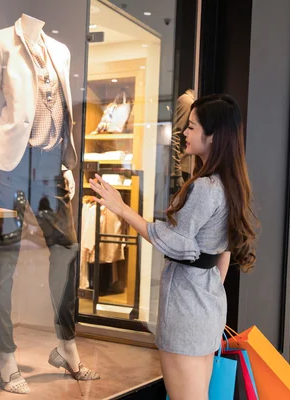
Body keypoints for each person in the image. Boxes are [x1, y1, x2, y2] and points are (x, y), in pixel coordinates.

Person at [89, 94, 257, 399]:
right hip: (206, 304)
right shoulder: (230, 183)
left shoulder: (205, 187)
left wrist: (122, 209)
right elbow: (224, 254)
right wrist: (205, 293)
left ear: (213, 136)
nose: (184, 133)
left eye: (192, 127)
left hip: (187, 309)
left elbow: (172, 240)